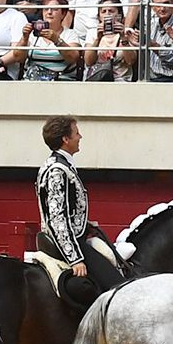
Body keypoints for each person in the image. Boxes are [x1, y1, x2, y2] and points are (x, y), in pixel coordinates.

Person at [35, 114, 122, 311]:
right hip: (69, 245)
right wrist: (75, 258)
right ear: (65, 139)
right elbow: (57, 218)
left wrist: (86, 223)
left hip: (72, 239)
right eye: (76, 133)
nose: (80, 137)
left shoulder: (58, 165)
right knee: (116, 285)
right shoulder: (58, 170)